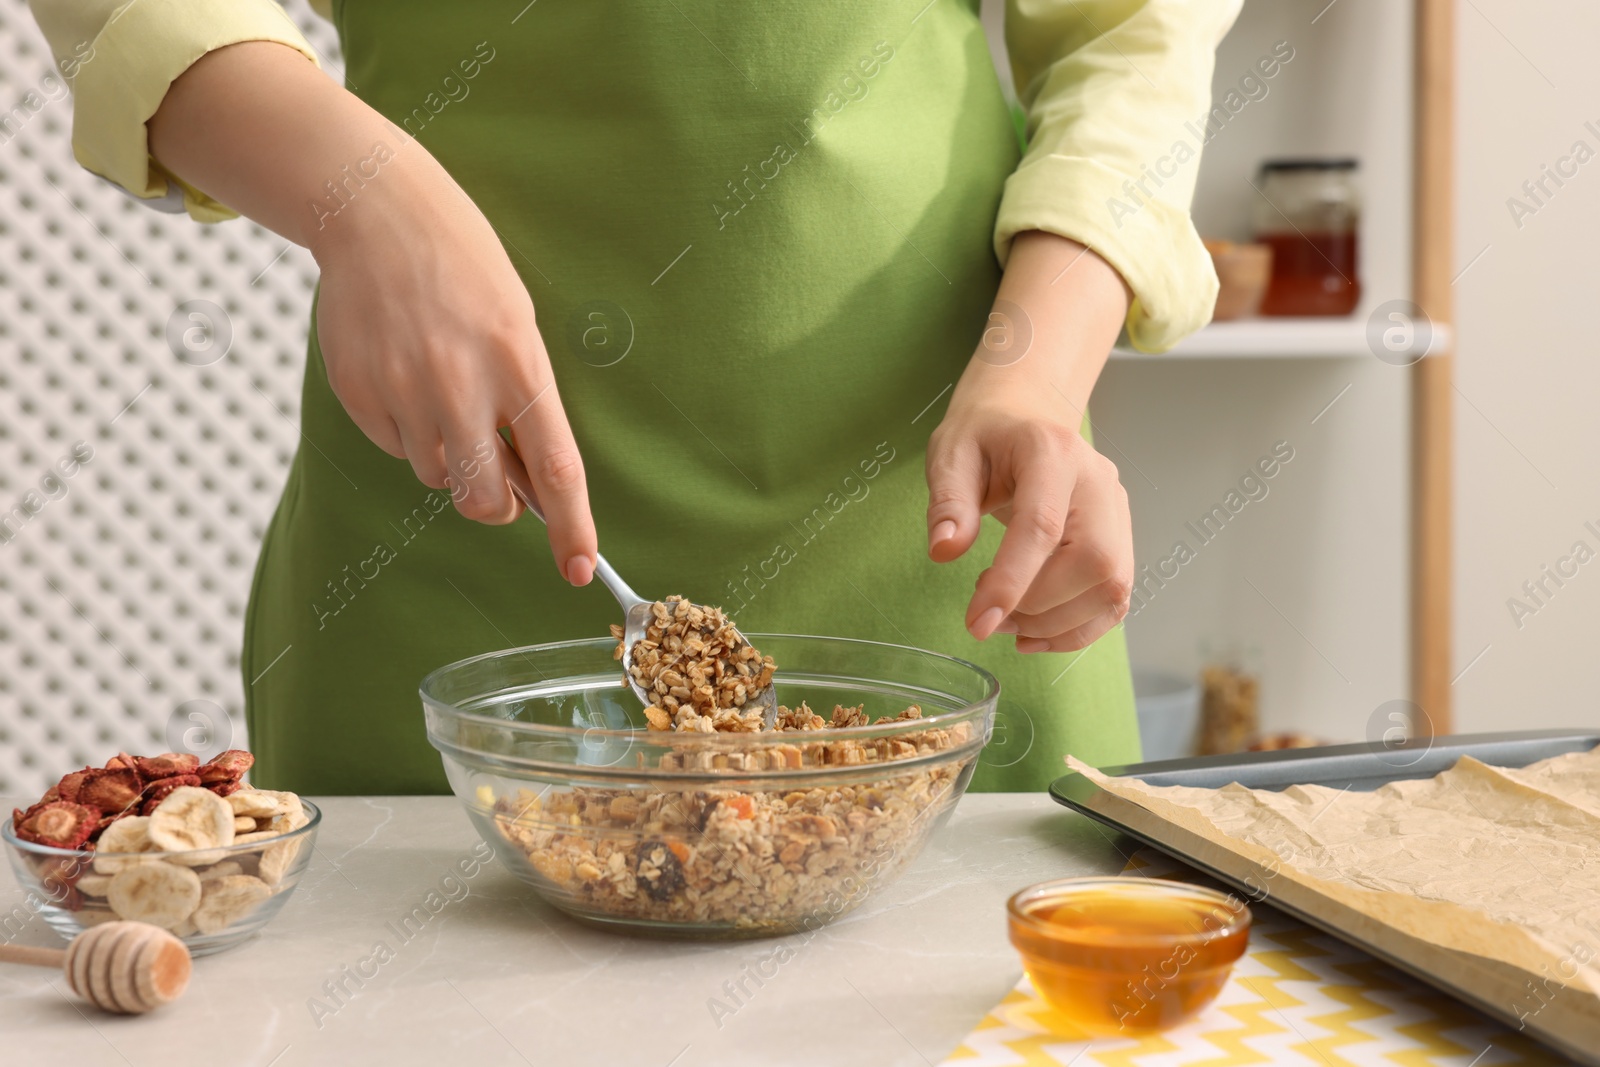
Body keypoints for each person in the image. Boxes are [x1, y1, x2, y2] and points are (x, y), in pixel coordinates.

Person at [29, 0, 1238, 794]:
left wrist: (1036, 364)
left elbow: (1133, 31)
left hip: (938, 525)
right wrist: (357, 192)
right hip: (453, 522)